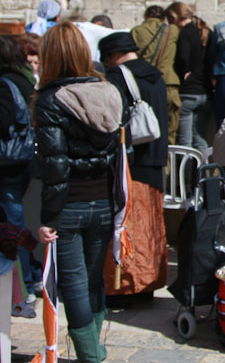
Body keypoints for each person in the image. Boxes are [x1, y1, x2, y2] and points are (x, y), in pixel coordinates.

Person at [35, 22, 123, 362]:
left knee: (73, 284)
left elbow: (54, 166)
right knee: (94, 280)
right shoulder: (109, 92)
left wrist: (49, 217)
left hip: (69, 205)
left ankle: (90, 356)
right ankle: (94, 349)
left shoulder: (50, 100)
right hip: (104, 202)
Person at [99, 32, 169, 302]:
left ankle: (125, 288)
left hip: (131, 160)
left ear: (113, 55)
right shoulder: (156, 75)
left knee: (127, 225)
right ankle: (148, 285)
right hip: (156, 158)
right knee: (151, 227)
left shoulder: (118, 77)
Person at [0, 36, 40, 309]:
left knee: (12, 228)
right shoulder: (23, 79)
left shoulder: (5, 83)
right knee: (16, 225)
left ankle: (22, 287)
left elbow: (4, 121)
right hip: (19, 164)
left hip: (8, 167)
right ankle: (28, 278)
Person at [131, 5, 180, 143]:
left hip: (145, 84)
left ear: (146, 17)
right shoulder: (172, 30)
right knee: (170, 132)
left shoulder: (136, 31)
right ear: (164, 18)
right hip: (168, 83)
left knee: (147, 128)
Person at [169, 3, 212, 152]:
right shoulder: (205, 31)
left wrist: (184, 71)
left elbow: (183, 57)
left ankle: (186, 168)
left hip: (189, 91)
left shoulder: (185, 34)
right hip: (205, 91)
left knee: (185, 141)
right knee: (200, 138)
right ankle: (204, 166)